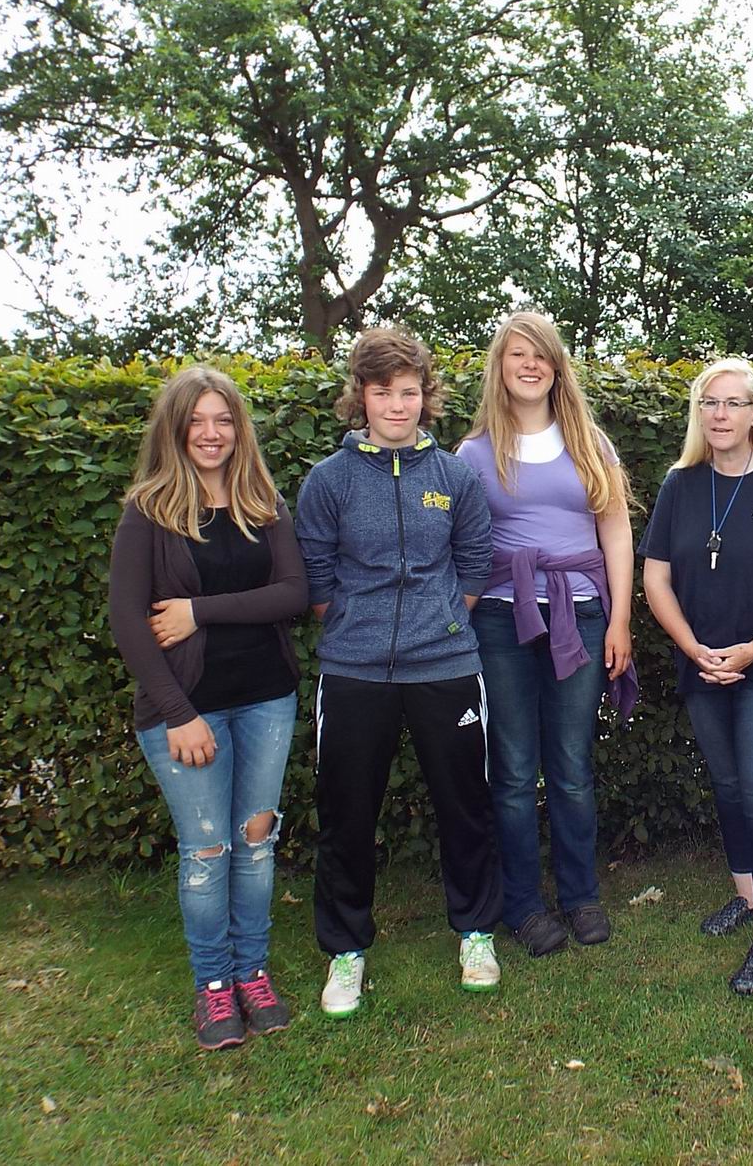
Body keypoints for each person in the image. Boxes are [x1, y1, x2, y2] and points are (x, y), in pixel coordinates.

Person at [295, 327, 502, 1018]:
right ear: (361, 396)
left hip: (446, 664)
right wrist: (358, 624)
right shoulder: (328, 481)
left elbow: (474, 563)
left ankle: (476, 933)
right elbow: (317, 575)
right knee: (346, 813)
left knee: (465, 805)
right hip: (355, 670)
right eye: (383, 392)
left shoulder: (454, 477)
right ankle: (345, 950)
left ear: (425, 396)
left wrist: (440, 621)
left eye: (408, 392)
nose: (396, 405)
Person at [109, 366, 307, 1050]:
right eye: (196, 420)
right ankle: (214, 985)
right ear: (175, 429)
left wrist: (198, 611)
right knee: (206, 849)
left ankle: (252, 972)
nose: (211, 433)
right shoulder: (148, 510)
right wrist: (177, 713)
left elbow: (292, 593)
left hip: (265, 700)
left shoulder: (262, 502)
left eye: (223, 419)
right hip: (186, 709)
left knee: (255, 843)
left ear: (238, 428)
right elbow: (129, 621)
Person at [458, 312, 636, 958]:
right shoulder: (473, 453)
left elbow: (615, 530)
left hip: (580, 615)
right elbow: (461, 545)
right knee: (511, 771)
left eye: (541, 355)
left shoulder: (589, 442)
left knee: (571, 766)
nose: (530, 365)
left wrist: (620, 618)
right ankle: (524, 906)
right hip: (500, 620)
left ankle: (581, 895)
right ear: (500, 367)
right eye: (517, 354)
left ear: (557, 368)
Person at [640, 358, 753, 995]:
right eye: (710, 402)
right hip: (702, 662)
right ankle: (747, 895)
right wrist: (694, 648)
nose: (720, 414)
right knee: (730, 786)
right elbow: (657, 576)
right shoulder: (680, 484)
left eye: (734, 403)